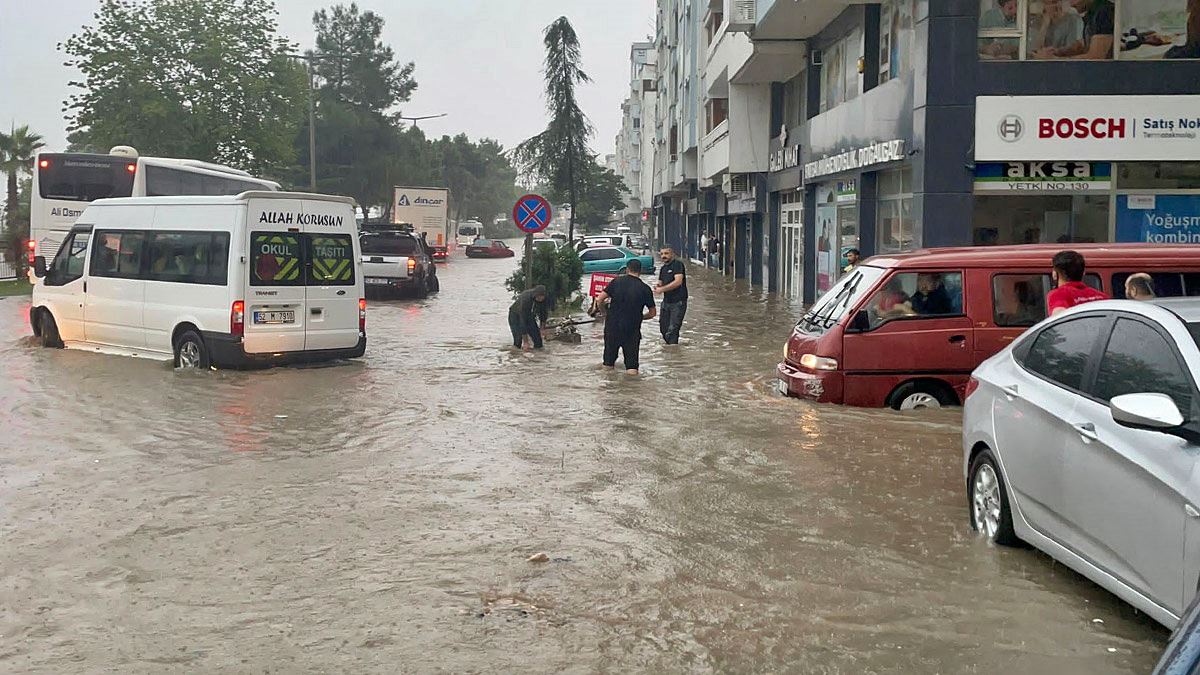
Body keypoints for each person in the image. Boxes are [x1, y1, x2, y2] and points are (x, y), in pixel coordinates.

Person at [596, 259, 656, 375]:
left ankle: (607, 388)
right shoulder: (645, 288)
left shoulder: (616, 281)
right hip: (632, 329)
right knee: (632, 366)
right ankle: (632, 390)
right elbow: (653, 313)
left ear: (627, 269)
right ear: (641, 271)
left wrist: (604, 313)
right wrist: (640, 317)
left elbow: (599, 299)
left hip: (612, 327)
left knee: (608, 364)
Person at [1042, 0, 1115, 60]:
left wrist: (1055, 59)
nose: (1071, 4)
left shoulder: (1104, 11)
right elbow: (1084, 44)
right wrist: (1058, 52)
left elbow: (1095, 57)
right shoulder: (1090, 13)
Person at [1047, 250, 1109, 316]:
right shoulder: (1103, 297)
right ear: (1083, 273)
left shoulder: (1058, 295)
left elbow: (1059, 319)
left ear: (1054, 274)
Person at [655, 247, 687, 345]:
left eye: (666, 253)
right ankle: (670, 351)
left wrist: (662, 289)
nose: (664, 256)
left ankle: (674, 352)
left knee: (673, 330)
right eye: (662, 254)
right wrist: (657, 287)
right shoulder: (663, 268)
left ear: (672, 254)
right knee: (663, 328)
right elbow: (660, 283)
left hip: (678, 302)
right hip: (666, 302)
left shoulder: (677, 265)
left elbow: (678, 282)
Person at [508, 285, 548, 350]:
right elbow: (522, 321)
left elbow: (543, 314)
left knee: (538, 341)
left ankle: (537, 358)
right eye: (539, 297)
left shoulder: (544, 300)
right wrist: (526, 342)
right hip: (515, 315)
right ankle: (517, 355)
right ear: (535, 295)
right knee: (518, 341)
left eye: (542, 297)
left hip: (530, 315)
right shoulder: (526, 299)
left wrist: (542, 329)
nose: (540, 299)